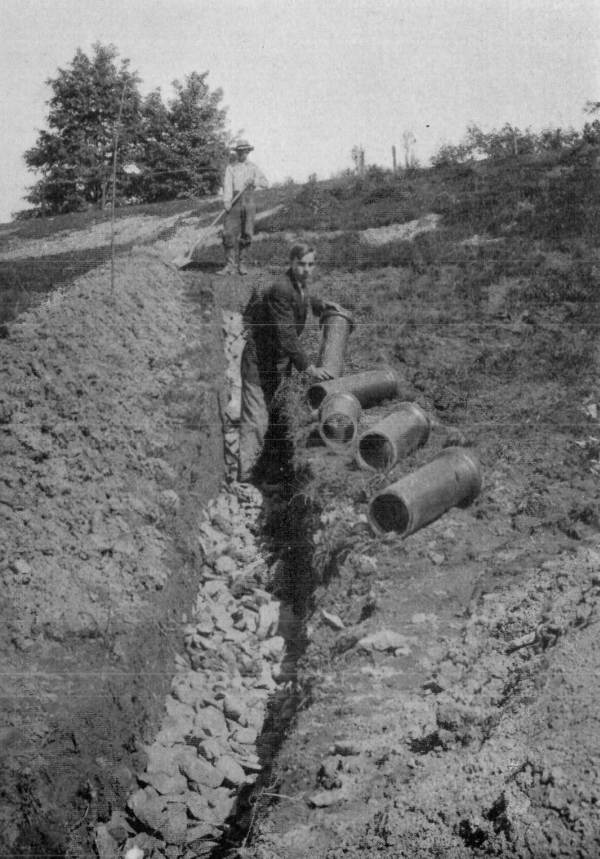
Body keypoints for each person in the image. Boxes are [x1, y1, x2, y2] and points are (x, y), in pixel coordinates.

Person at [238, 242, 339, 483]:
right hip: (259, 364)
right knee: (256, 420)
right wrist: (309, 368)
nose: (306, 269)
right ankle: (244, 479)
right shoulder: (281, 289)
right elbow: (286, 335)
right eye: (301, 264)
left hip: (277, 365)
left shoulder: (297, 284)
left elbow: (303, 298)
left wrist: (321, 305)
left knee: (273, 415)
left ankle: (267, 466)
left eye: (310, 264)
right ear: (291, 263)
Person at [217, 140, 268, 276]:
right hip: (235, 201)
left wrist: (254, 181)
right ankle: (229, 266)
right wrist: (227, 201)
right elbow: (227, 185)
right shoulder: (231, 168)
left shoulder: (253, 168)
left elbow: (265, 183)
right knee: (228, 233)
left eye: (245, 151)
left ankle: (242, 265)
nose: (242, 153)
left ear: (248, 152)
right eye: (240, 151)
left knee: (247, 234)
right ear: (237, 152)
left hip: (249, 201)